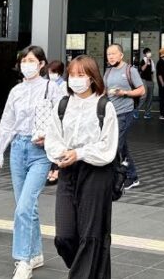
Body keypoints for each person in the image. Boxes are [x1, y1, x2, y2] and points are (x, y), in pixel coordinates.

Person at [0, 45, 64, 279]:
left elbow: (63, 120)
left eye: (31, 60)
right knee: (25, 206)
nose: (26, 64)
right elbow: (7, 122)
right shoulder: (16, 91)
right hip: (18, 149)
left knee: (23, 207)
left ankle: (23, 260)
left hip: (40, 152)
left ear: (42, 64)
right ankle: (36, 252)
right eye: (23, 61)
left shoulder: (53, 88)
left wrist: (53, 146)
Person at [45, 55, 119, 279]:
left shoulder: (104, 106)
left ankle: (84, 271)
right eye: (73, 75)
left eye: (81, 75)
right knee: (64, 236)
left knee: (91, 234)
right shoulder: (63, 104)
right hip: (68, 169)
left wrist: (80, 153)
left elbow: (108, 146)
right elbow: (53, 136)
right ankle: (90, 268)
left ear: (92, 77)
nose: (76, 79)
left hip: (96, 171)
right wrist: (61, 154)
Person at [103, 43, 144, 190]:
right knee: (122, 147)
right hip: (112, 115)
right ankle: (133, 177)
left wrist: (124, 93)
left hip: (125, 113)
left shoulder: (129, 70)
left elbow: (141, 90)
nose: (111, 56)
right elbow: (104, 91)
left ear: (121, 55)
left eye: (114, 53)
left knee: (115, 145)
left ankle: (115, 178)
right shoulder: (108, 72)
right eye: (108, 54)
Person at [137, 48, 155, 119]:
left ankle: (147, 113)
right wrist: (147, 61)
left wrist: (153, 81)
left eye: (149, 52)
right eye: (148, 52)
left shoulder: (152, 61)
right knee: (144, 96)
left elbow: (152, 72)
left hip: (150, 81)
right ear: (145, 54)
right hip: (143, 80)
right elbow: (142, 69)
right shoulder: (143, 60)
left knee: (150, 97)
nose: (149, 53)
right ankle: (136, 110)